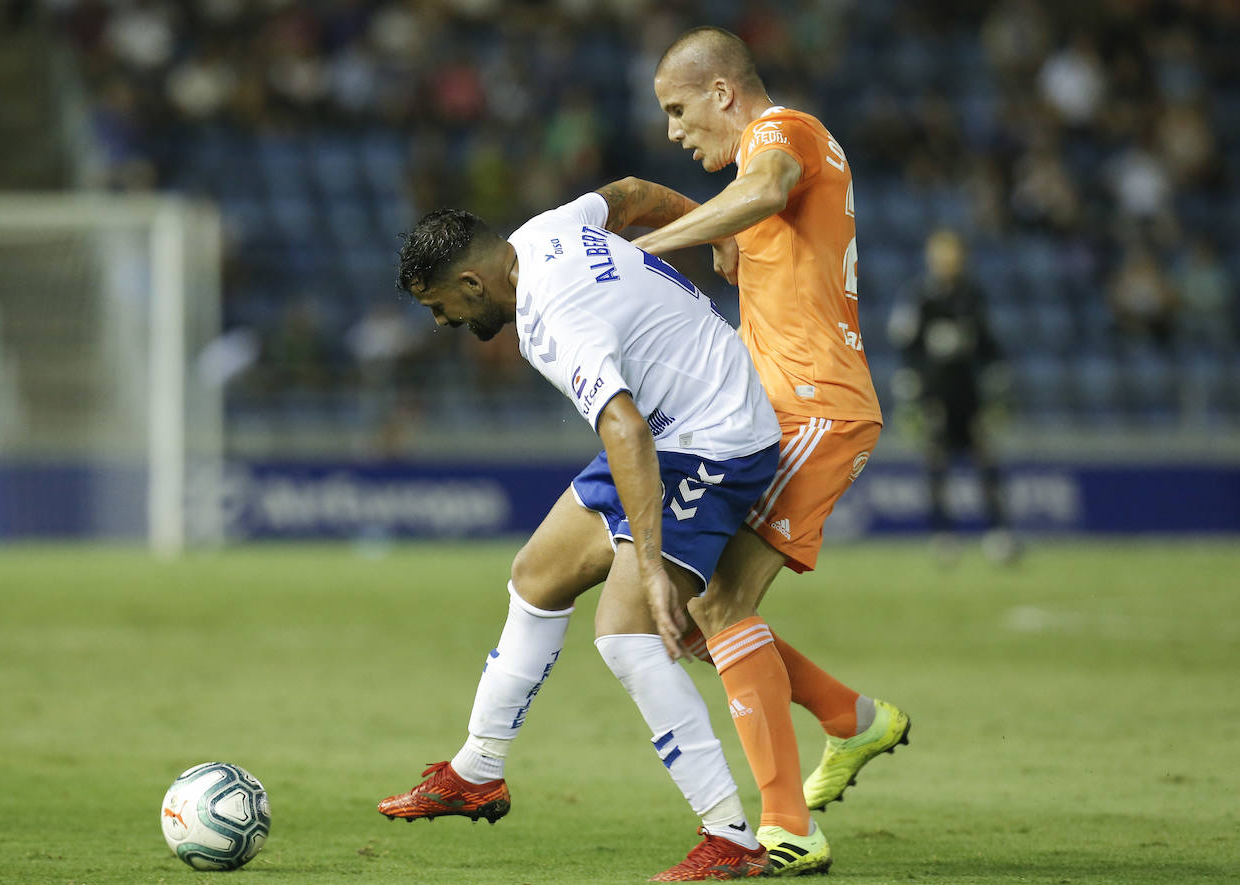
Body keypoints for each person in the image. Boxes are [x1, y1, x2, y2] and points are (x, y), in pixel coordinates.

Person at [378, 194, 806, 879]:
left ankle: (732, 837)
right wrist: (716, 229)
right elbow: (632, 191)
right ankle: (478, 767)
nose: (443, 323)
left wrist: (652, 569)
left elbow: (625, 430)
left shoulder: (551, 318)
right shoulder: (544, 229)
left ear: (472, 284)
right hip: (670, 424)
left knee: (627, 631)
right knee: (537, 574)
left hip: (713, 440)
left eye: (441, 308)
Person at [582, 25, 911, 867]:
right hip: (779, 412)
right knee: (698, 614)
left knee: (718, 606)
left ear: (724, 92)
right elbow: (747, 219)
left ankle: (786, 826)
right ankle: (851, 719)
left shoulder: (781, 133)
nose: (673, 130)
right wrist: (694, 228)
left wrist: (643, 251)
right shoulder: (752, 179)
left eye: (679, 109)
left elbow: (767, 187)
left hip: (816, 409)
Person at [889, 228, 1017, 562]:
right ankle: (943, 534)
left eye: (953, 254)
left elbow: (990, 344)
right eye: (941, 254)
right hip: (935, 394)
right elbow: (906, 345)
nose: (948, 261)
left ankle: (998, 532)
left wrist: (997, 382)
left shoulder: (973, 295)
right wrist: (912, 390)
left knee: (985, 460)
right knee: (937, 463)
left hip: (969, 392)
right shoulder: (920, 297)